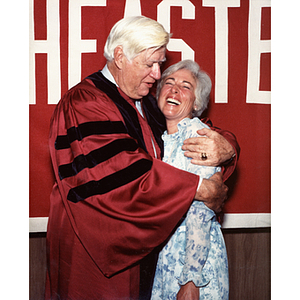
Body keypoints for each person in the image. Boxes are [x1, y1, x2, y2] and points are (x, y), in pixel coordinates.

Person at [45, 16, 239, 300]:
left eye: (160, 64)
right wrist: (198, 188)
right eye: (150, 64)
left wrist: (228, 147)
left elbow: (198, 128)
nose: (158, 74)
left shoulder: (146, 100)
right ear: (121, 57)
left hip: (144, 246)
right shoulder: (86, 103)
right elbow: (120, 173)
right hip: (98, 248)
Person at [151, 60, 229, 300]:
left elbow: (200, 211)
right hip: (168, 258)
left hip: (194, 264)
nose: (174, 90)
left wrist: (191, 280)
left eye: (185, 86)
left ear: (196, 102)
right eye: (169, 83)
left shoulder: (197, 137)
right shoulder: (164, 139)